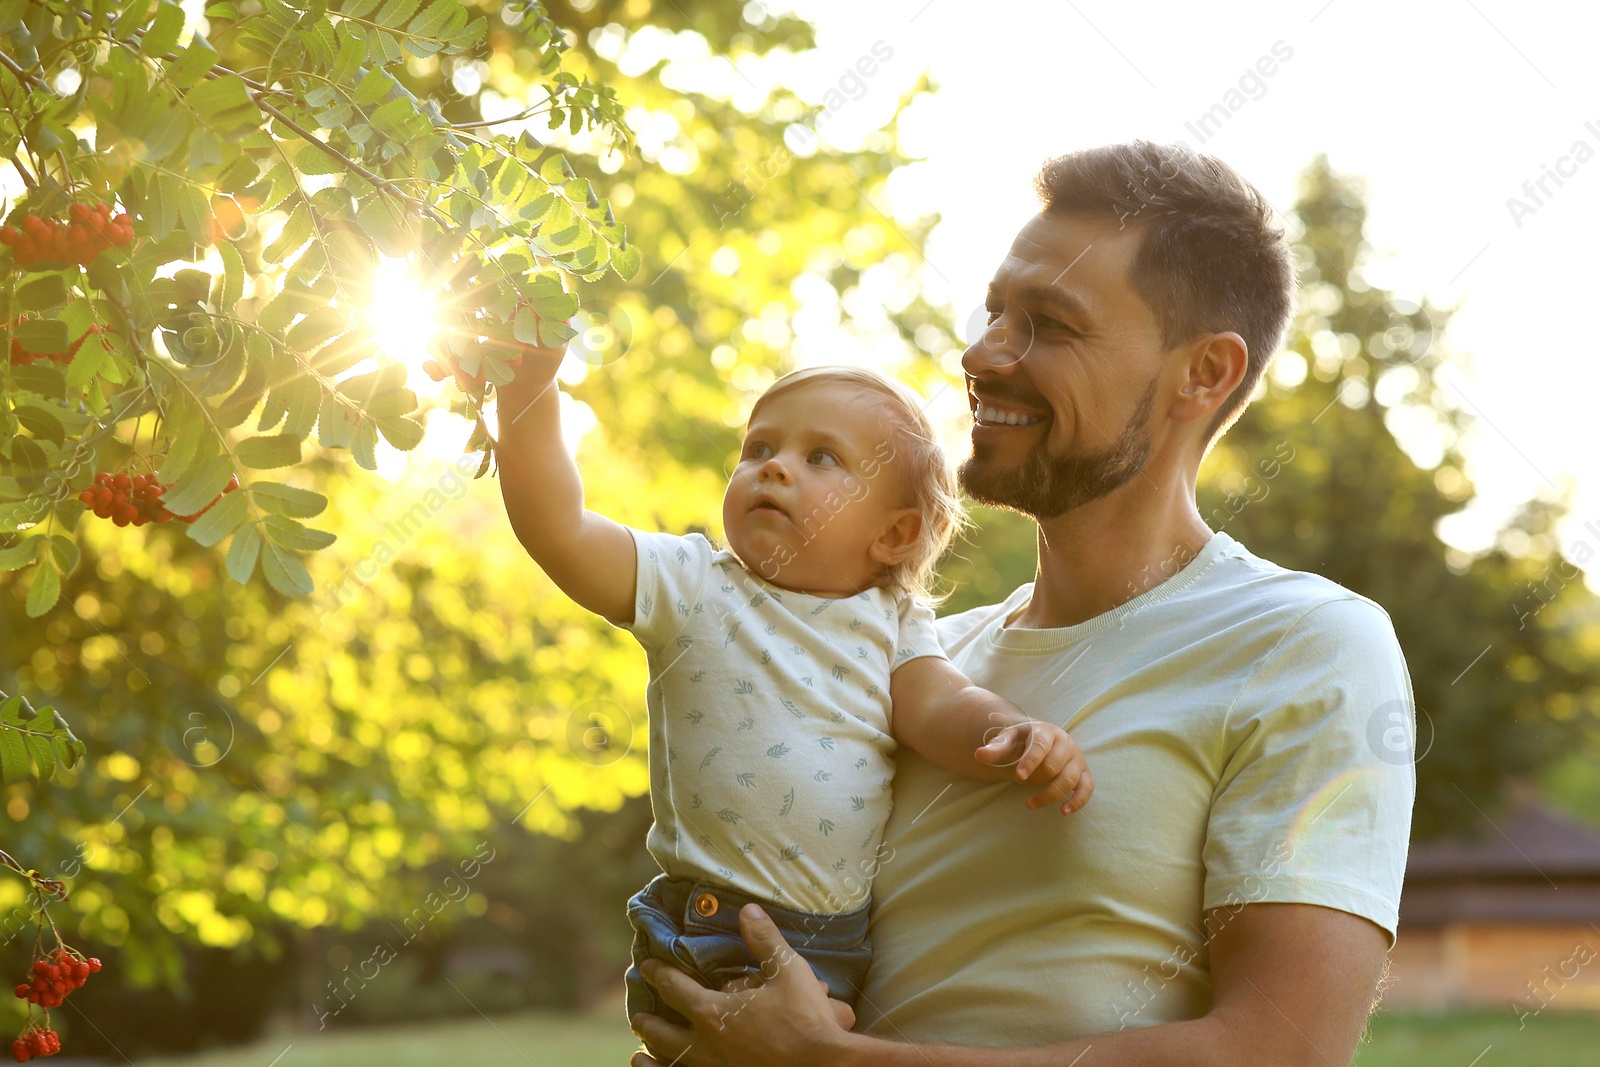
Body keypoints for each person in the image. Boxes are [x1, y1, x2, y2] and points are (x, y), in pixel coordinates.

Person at [626, 140, 1417, 1066]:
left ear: (1203, 373)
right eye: (996, 310)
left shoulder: (1306, 643)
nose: (982, 353)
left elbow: (1280, 1052)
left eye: (1048, 323)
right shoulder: (914, 664)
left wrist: (831, 1064)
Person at [495, 356, 1095, 1062]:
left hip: (834, 944)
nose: (774, 467)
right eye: (758, 448)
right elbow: (559, 529)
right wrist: (525, 387)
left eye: (821, 457)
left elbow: (940, 706)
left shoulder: (894, 619)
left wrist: (1010, 733)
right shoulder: (694, 584)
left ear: (895, 534)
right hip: (714, 925)